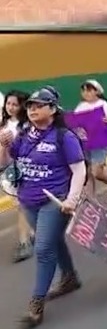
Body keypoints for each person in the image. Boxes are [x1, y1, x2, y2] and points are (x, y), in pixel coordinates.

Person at [0, 87, 87, 327]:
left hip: (54, 200)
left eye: (38, 105)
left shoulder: (63, 136)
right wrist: (4, 145)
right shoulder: (25, 133)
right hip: (28, 200)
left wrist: (72, 199)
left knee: (43, 249)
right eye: (29, 106)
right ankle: (70, 277)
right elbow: (7, 163)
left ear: (52, 108)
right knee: (53, 240)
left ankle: (36, 304)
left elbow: (79, 170)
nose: (32, 110)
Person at [75, 79, 107, 203]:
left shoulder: (104, 106)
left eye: (89, 90)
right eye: (83, 90)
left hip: (100, 143)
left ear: (97, 91)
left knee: (97, 172)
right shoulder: (80, 107)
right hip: (85, 142)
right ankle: (91, 198)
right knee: (87, 172)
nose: (85, 93)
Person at [4, 90, 34, 263]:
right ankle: (32, 233)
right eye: (8, 104)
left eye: (15, 104)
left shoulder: (28, 125)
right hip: (11, 171)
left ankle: (24, 242)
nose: (11, 107)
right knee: (23, 205)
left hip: (28, 169)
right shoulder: (4, 124)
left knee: (23, 205)